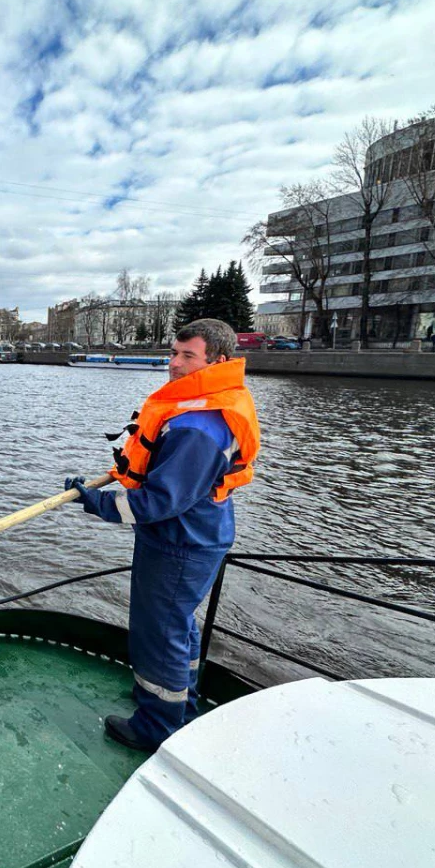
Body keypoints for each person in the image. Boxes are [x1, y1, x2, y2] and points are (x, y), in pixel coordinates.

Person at [65, 318, 260, 753]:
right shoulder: (207, 404)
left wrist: (90, 500)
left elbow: (157, 502)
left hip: (179, 542)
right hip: (196, 534)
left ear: (219, 362)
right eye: (174, 353)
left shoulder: (199, 427)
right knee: (179, 625)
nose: (174, 364)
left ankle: (158, 727)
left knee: (160, 630)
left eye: (187, 356)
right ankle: (180, 702)